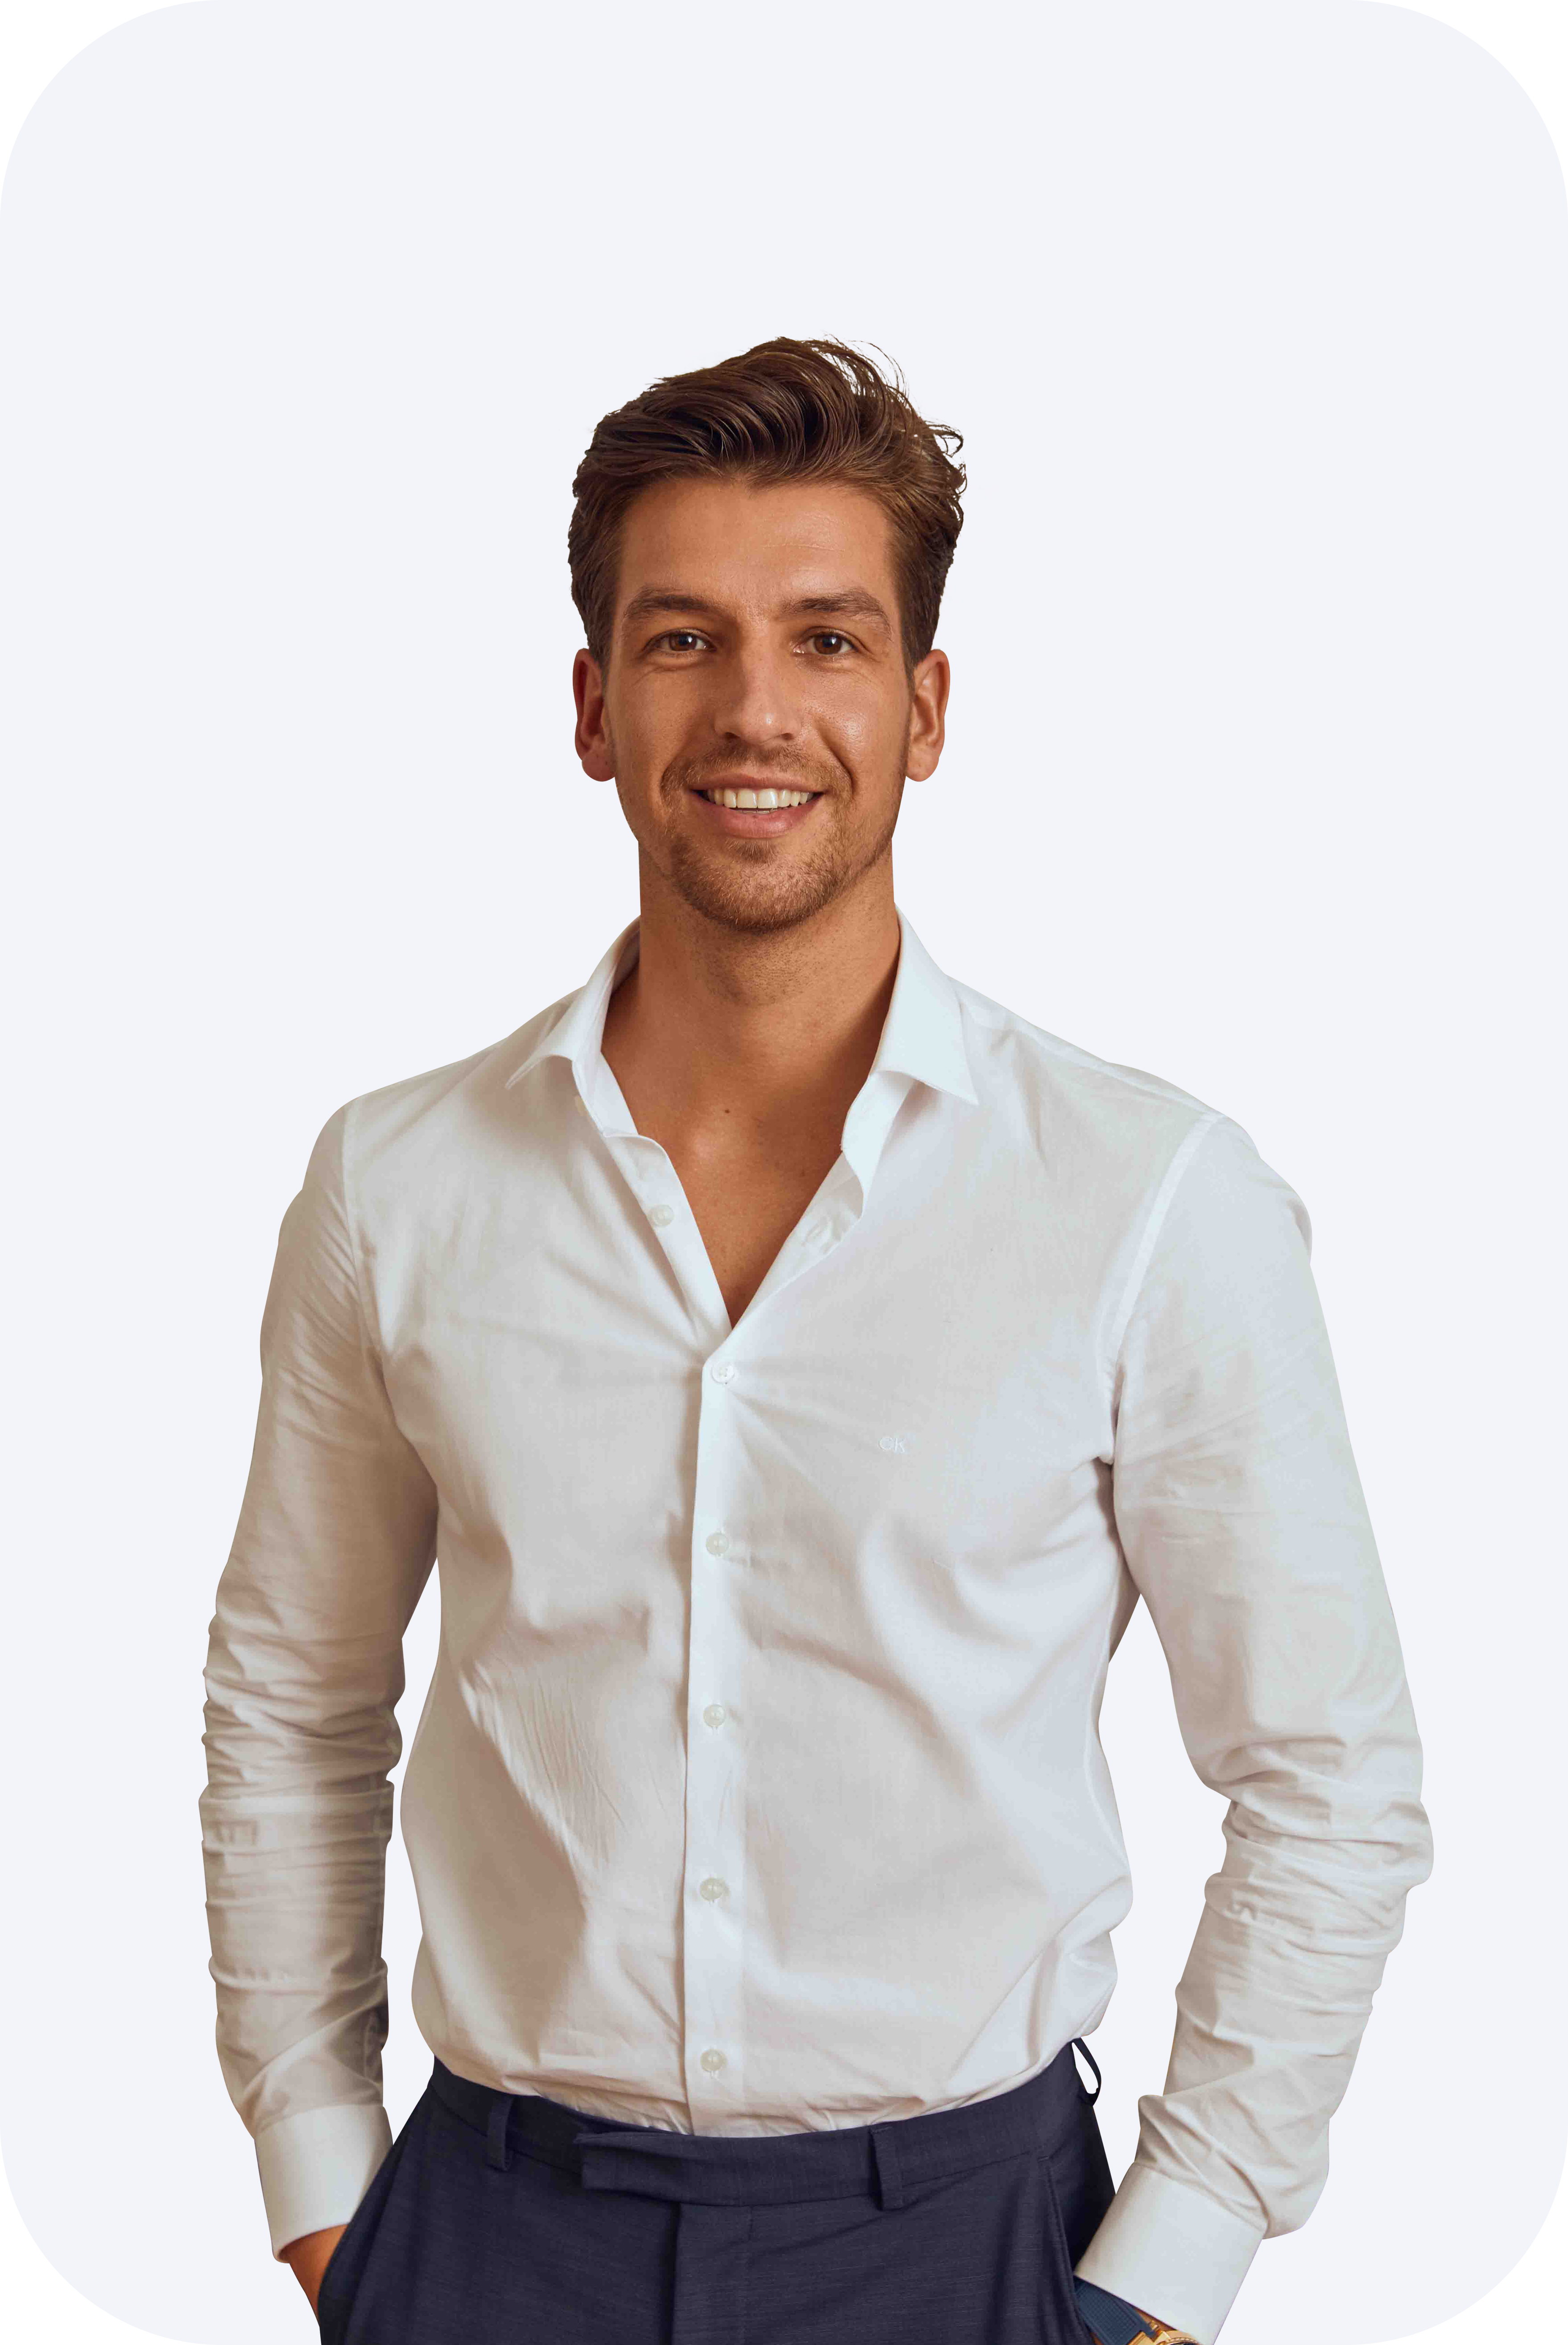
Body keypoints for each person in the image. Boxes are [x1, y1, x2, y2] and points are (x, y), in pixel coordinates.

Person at [200, 338, 1433, 2345]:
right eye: (682, 640)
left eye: (828, 640)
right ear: (592, 707)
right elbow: (292, 1696)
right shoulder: (397, 1186)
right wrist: (328, 2186)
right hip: (490, 2242)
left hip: (970, 2250)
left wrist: (1167, 2276)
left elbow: (1325, 1772)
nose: (755, 710)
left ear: (922, 709)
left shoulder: (1146, 1198)